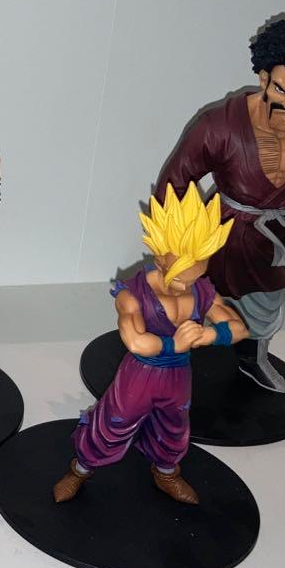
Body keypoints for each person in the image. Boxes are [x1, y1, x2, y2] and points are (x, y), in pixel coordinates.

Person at [157, 16, 285, 392]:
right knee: (193, 296)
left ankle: (252, 358)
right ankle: (172, 360)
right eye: (280, 89)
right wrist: (176, 244)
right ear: (263, 76)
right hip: (217, 230)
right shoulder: (219, 124)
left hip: (273, 237)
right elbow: (175, 182)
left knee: (265, 301)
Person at [53, 184, 246, 506]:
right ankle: (80, 469)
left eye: (196, 274)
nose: (187, 284)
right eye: (181, 277)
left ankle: (166, 472)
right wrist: (175, 344)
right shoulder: (133, 294)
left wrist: (211, 335)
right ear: (160, 259)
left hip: (178, 375)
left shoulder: (201, 289)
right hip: (140, 374)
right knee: (113, 423)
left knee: (174, 426)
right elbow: (136, 342)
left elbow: (239, 327)